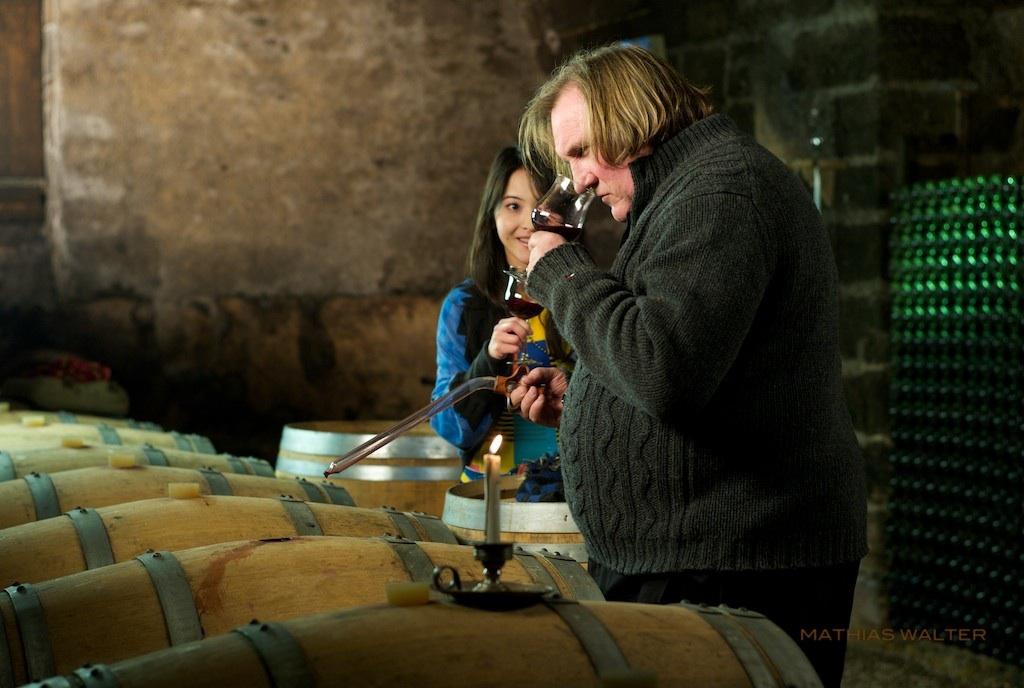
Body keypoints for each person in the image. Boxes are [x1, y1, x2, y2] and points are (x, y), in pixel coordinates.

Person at [511, 45, 867, 687]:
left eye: (582, 151)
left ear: (633, 120)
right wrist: (591, 397)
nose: (579, 178)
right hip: (703, 558)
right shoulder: (687, 191)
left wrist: (560, 270)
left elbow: (663, 370)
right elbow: (686, 358)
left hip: (738, 564)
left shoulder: (721, 192)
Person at [430, 146, 573, 480]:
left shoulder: (586, 297)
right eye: (513, 206)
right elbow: (449, 428)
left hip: (568, 494)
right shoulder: (464, 306)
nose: (528, 222)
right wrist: (490, 358)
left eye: (542, 206)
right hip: (485, 494)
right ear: (491, 215)